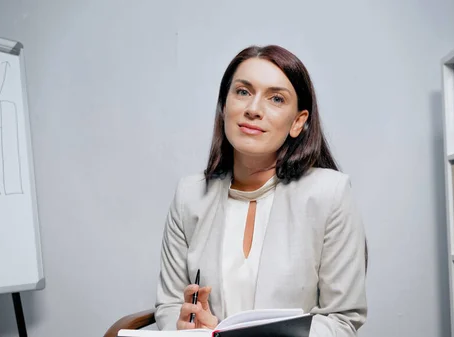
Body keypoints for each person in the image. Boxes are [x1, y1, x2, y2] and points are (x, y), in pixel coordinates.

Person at [154, 44, 368, 337]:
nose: (253, 109)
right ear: (224, 106)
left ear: (297, 122)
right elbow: (169, 305)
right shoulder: (188, 196)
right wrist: (188, 328)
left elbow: (341, 318)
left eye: (276, 98)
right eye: (242, 92)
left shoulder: (330, 194)